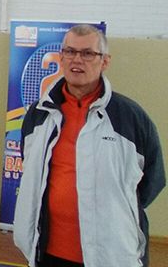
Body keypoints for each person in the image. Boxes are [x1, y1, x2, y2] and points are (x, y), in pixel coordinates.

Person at [13, 24, 164, 267]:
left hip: (110, 256)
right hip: (47, 251)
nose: (77, 60)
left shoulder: (131, 118)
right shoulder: (38, 114)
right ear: (61, 58)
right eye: (70, 52)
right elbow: (29, 165)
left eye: (87, 54)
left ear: (105, 61)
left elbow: (151, 183)